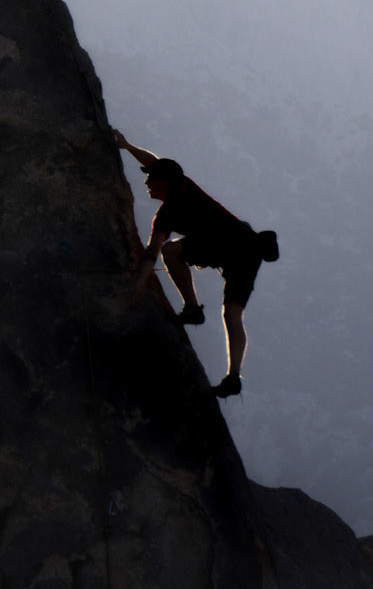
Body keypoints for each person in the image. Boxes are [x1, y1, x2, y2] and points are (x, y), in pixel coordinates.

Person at [114, 129, 278, 399]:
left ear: (164, 181)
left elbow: (152, 251)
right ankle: (228, 369)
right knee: (232, 314)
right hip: (240, 250)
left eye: (151, 180)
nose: (147, 184)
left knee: (227, 311)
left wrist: (139, 283)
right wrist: (127, 146)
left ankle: (198, 318)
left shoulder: (179, 194)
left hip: (239, 246)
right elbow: (154, 164)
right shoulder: (174, 195)